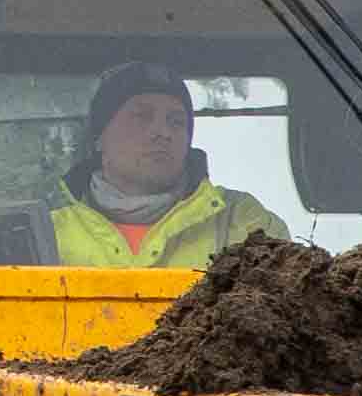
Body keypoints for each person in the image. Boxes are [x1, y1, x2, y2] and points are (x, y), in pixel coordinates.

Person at [49, 61, 270, 269]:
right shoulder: (47, 232)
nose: (162, 133)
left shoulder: (241, 221)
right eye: (141, 117)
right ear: (99, 137)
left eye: (176, 122)